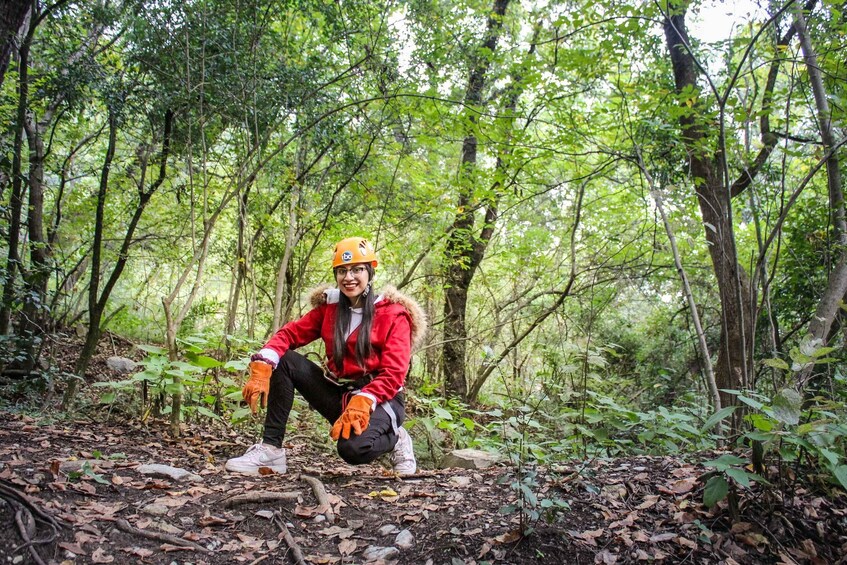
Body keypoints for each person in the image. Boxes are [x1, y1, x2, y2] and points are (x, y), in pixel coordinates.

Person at [225, 237, 426, 476]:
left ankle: (397, 438)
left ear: (370, 272)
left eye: (357, 270)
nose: (348, 277)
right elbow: (290, 334)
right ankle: (271, 449)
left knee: (353, 449)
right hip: (340, 395)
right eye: (342, 271)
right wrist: (263, 363)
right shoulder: (329, 308)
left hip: (381, 399)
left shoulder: (393, 314)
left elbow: (394, 373)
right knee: (284, 360)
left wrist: (364, 400)